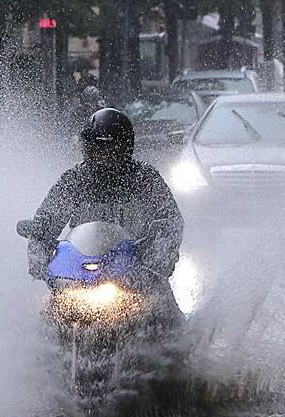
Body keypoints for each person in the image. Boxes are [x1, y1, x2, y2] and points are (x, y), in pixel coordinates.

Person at [25, 108, 184, 319]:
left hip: (136, 270)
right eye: (95, 149)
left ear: (125, 148)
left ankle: (179, 347)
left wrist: (158, 260)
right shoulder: (74, 180)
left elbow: (170, 221)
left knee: (167, 317)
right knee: (45, 318)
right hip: (80, 273)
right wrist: (39, 254)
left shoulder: (145, 178)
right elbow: (46, 220)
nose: (102, 156)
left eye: (109, 150)